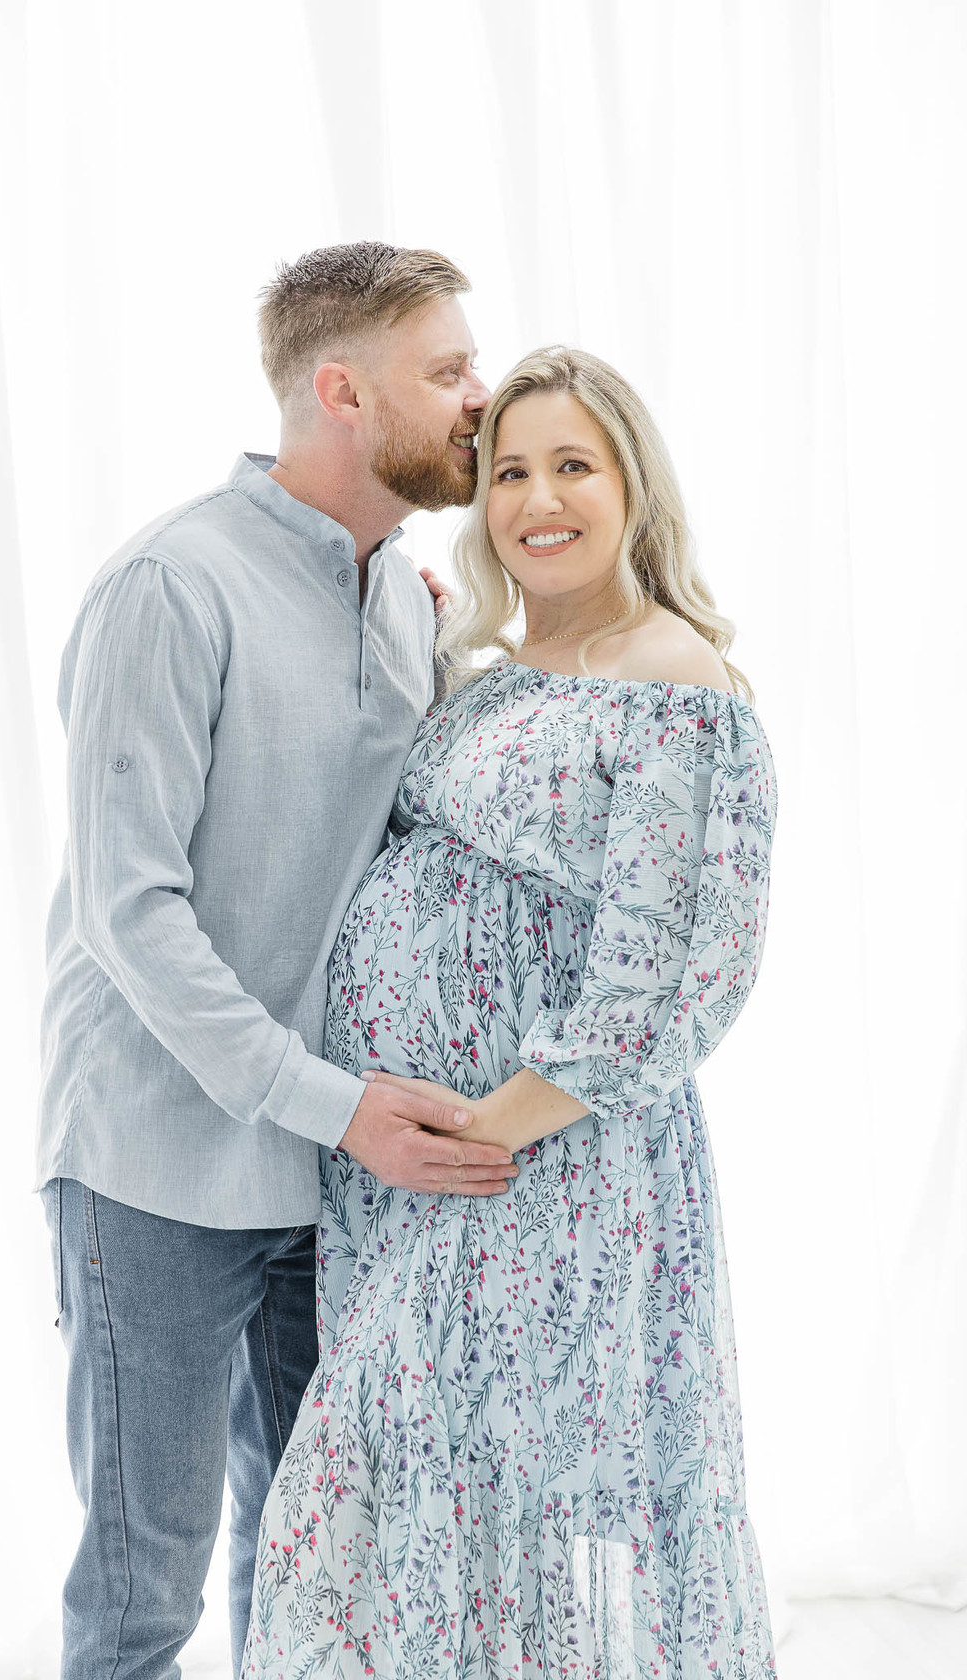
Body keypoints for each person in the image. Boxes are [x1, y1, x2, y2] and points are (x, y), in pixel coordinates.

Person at [241, 346, 780, 1678]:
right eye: (511, 471)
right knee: (429, 1506)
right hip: (416, 1174)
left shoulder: (677, 680)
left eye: (573, 465)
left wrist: (486, 1131)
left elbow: (676, 973)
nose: (539, 498)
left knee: (482, 1503)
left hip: (541, 1170)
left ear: (634, 486)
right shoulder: (492, 674)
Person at [33, 241, 520, 1680]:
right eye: (448, 370)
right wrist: (337, 1106)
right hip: (157, 1168)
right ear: (344, 392)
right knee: (144, 1596)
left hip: (327, 1172)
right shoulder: (171, 585)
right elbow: (131, 912)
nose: (480, 397)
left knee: (312, 1561)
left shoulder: (400, 598)